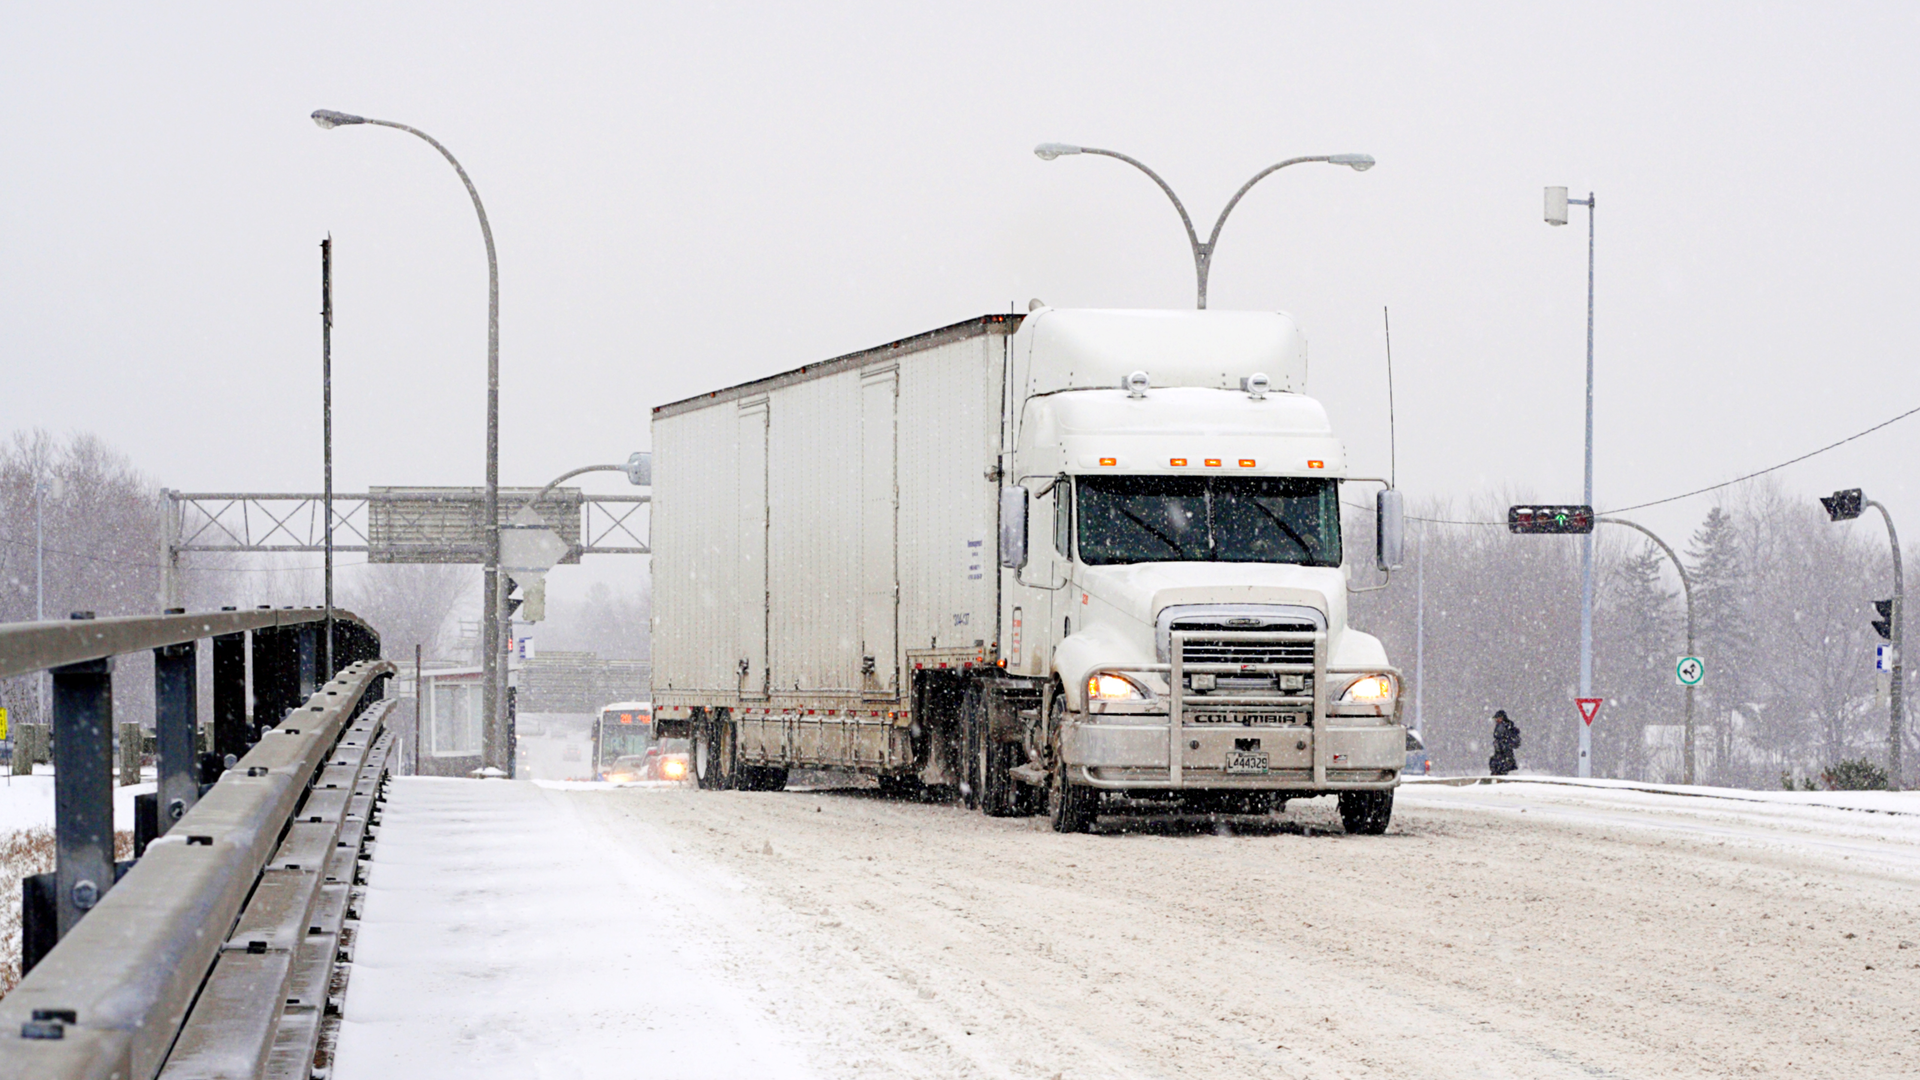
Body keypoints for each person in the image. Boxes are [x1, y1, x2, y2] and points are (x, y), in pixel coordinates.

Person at [1489, 710, 1521, 776]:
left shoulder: (1504, 727)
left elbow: (1514, 742)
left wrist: (1504, 743)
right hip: (1503, 755)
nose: (1497, 720)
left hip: (1504, 755)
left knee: (1502, 771)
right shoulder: (1504, 726)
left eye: (1498, 718)